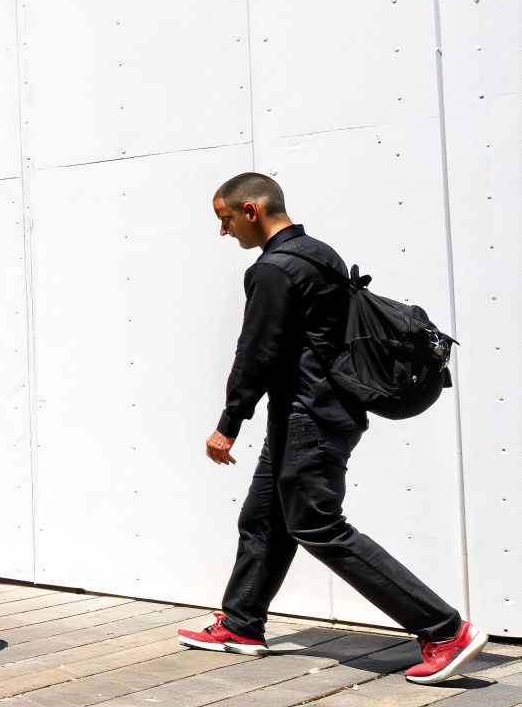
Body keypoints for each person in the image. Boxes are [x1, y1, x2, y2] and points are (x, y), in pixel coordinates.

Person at [179, 173, 485, 684]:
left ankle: (444, 630)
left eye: (224, 219)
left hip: (308, 416)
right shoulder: (321, 254)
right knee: (264, 517)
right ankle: (241, 623)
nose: (223, 231)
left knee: (319, 525)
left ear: (250, 210)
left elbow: (257, 354)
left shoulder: (274, 270)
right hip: (317, 411)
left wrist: (228, 424)